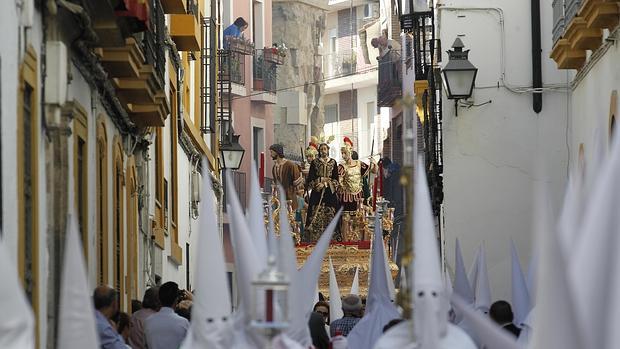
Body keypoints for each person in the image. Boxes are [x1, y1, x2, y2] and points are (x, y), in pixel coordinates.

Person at [304, 142, 340, 241]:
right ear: (319, 151)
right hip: (317, 192)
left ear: (328, 150)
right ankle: (314, 237)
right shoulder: (315, 162)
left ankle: (332, 237)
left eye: (325, 149)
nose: (323, 151)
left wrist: (326, 184)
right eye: (321, 149)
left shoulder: (333, 162)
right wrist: (318, 183)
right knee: (315, 212)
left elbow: (336, 180)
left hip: (329, 192)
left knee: (331, 212)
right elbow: (310, 179)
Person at [144, 282, 189, 349]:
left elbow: (145, 345)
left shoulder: (148, 322)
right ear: (176, 300)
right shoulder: (183, 323)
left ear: (159, 299)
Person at [338, 137, 376, 212]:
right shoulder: (341, 167)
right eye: (342, 153)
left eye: (345, 153)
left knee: (359, 219)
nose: (343, 156)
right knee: (346, 219)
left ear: (350, 152)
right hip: (346, 198)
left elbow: (374, 171)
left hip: (359, 196)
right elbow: (339, 182)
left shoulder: (359, 164)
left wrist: (374, 163)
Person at [270, 143, 305, 210]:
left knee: (291, 218)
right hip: (279, 199)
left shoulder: (290, 165)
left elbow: (297, 182)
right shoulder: (274, 167)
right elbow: (275, 183)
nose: (270, 155)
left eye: (272, 152)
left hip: (290, 198)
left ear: (277, 152)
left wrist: (300, 197)